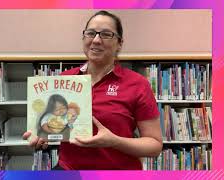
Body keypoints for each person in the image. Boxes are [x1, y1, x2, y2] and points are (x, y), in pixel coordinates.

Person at [23, 10, 163, 170]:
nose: (96, 40)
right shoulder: (64, 79)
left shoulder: (138, 84)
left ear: (119, 43)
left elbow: (154, 146)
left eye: (106, 34)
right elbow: (57, 123)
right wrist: (42, 133)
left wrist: (115, 141)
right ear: (84, 38)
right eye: (91, 33)